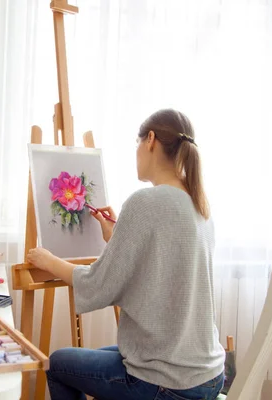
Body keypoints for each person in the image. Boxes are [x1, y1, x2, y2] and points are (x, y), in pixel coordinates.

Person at [27, 109, 226, 400]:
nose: (136, 152)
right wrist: (115, 236)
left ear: (151, 141)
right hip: (208, 375)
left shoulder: (145, 202)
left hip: (168, 382)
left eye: (137, 142)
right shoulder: (199, 204)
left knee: (57, 363)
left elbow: (99, 284)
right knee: (109, 354)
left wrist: (49, 261)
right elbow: (157, 269)